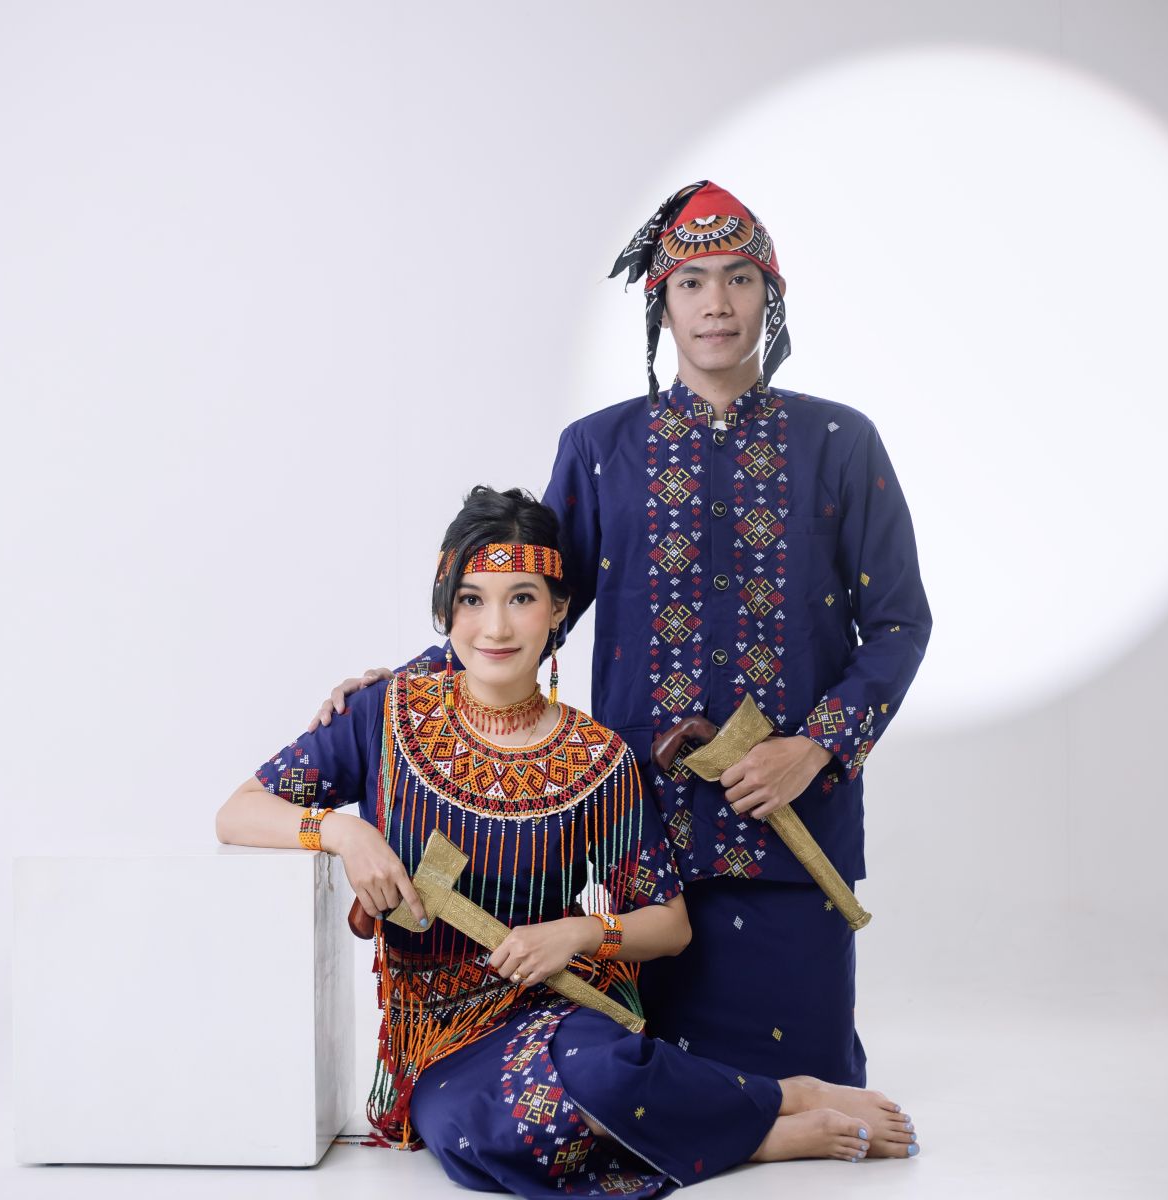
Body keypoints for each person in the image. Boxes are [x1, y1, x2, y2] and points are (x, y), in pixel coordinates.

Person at [315, 183, 933, 1090]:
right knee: (645, 1090)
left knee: (814, 1088)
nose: (716, 303)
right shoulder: (601, 449)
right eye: (691, 283)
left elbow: (900, 623)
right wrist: (406, 680)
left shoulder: (841, 443)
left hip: (793, 832)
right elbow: (531, 608)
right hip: (647, 850)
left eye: (738, 279)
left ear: (771, 296)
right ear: (661, 305)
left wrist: (813, 749)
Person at [222, 486, 916, 1198]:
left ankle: (786, 1100)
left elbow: (670, 926)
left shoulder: (598, 759)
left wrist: (578, 934)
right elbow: (239, 812)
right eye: (471, 599)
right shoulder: (384, 714)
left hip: (556, 1013)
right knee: (485, 1134)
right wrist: (342, 830)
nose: (495, 626)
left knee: (602, 1073)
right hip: (437, 1042)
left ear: (558, 609)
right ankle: (766, 1125)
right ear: (445, 608)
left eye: (521, 598)